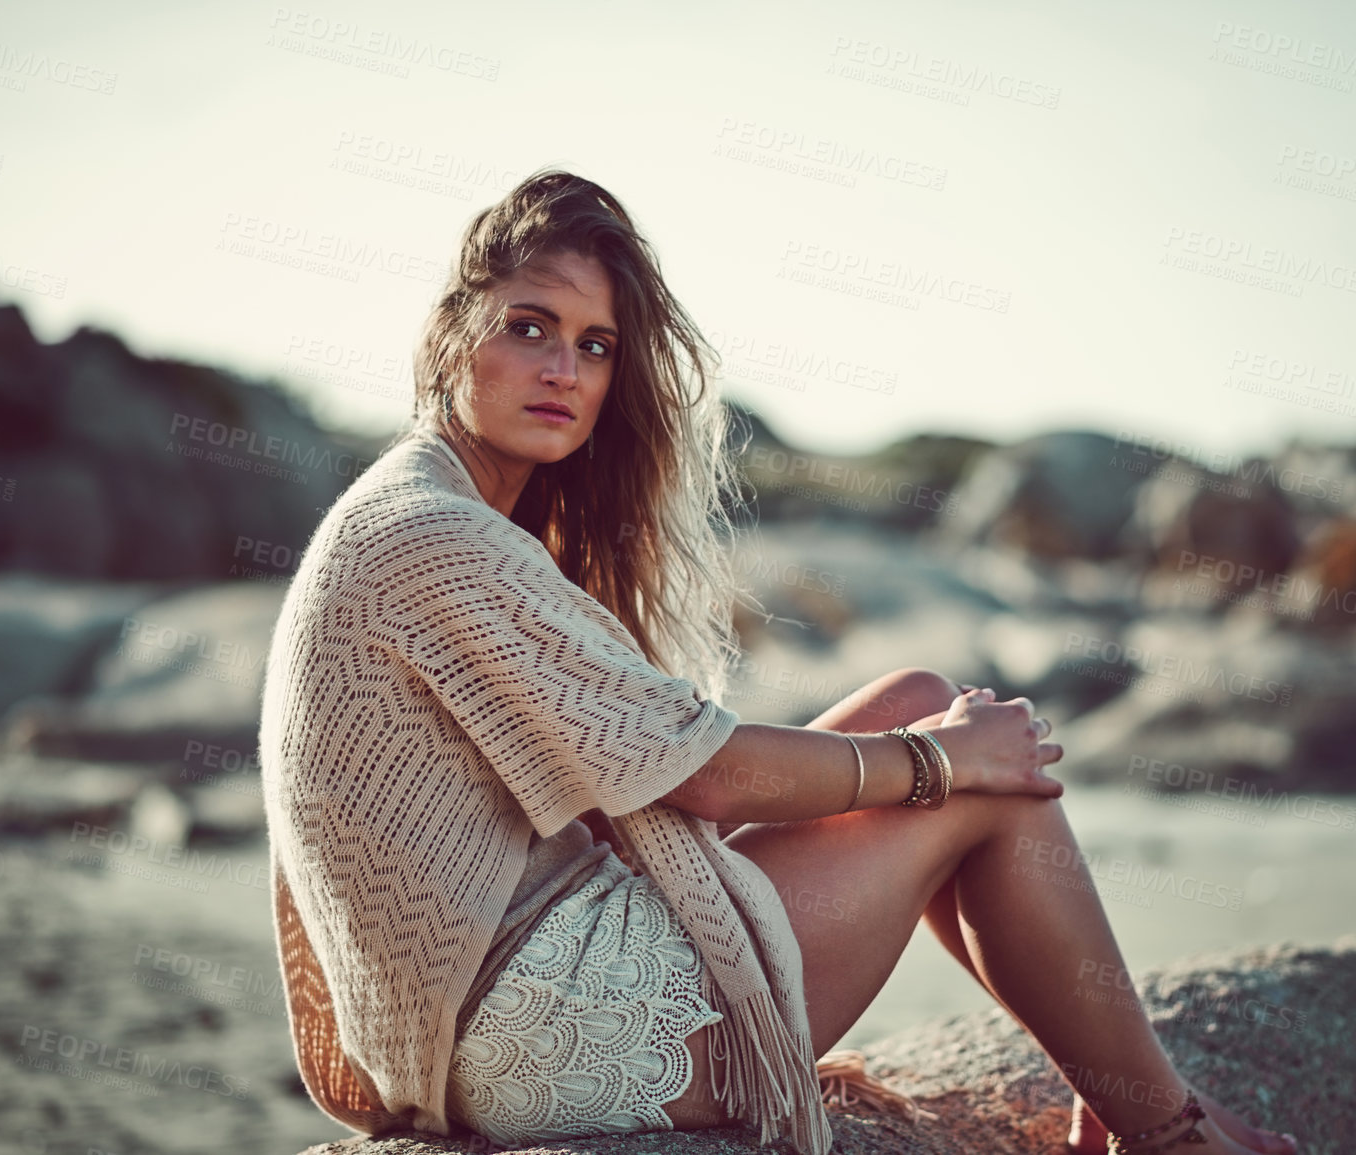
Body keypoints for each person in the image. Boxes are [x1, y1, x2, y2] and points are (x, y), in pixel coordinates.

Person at [259, 168, 1298, 1155]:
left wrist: (929, 735)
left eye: (596, 345)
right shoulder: (433, 533)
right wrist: (938, 764)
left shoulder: (431, 512)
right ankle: (1162, 1130)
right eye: (528, 327)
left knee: (924, 699)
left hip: (499, 995)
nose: (562, 370)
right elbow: (701, 775)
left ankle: (1122, 1099)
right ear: (452, 337)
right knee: (990, 784)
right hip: (542, 1025)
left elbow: (640, 781)